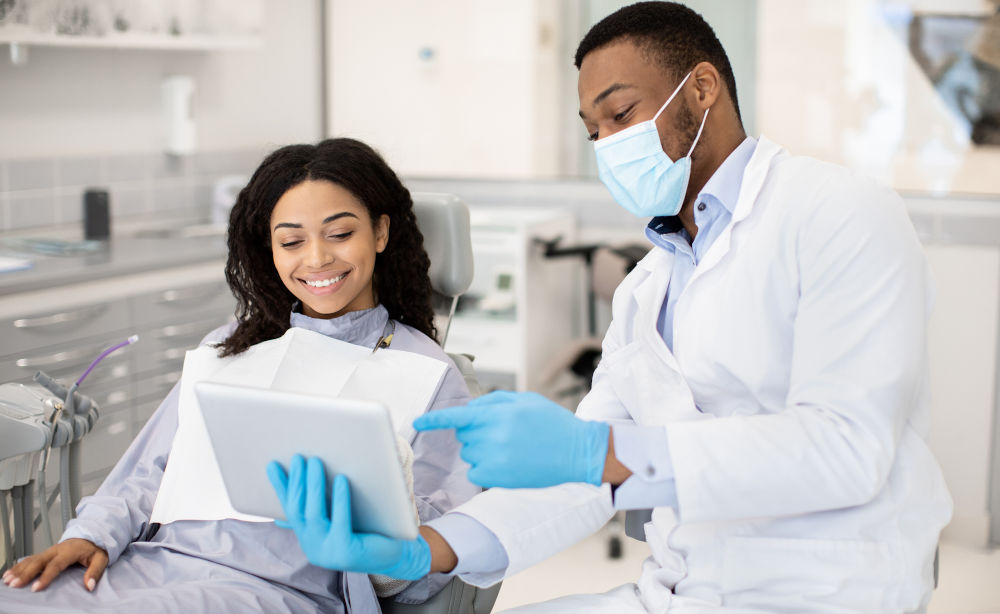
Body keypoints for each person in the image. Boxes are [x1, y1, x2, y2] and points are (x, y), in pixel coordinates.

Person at [270, 4, 953, 613]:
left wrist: (601, 451)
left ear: (703, 88)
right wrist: (429, 549)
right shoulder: (647, 287)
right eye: (594, 130)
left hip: (827, 591)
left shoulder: (838, 213)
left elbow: (845, 448)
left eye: (621, 114)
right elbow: (577, 482)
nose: (606, 145)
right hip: (679, 590)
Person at [0, 138, 479, 613]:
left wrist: (381, 530)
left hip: (274, 591)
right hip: (147, 566)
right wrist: (90, 536)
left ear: (379, 232)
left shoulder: (429, 375)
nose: (315, 259)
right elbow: (149, 471)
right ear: (270, 249)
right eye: (291, 241)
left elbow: (423, 568)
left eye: (339, 234)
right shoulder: (231, 344)